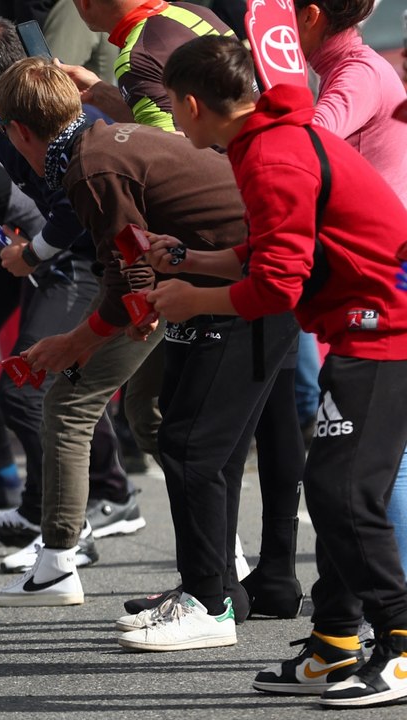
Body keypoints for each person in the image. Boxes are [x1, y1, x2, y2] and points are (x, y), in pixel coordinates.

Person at [156, 34, 407, 705]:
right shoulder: (266, 139)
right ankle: (336, 642)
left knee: (344, 491)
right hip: (367, 323)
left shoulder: (271, 153)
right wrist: (191, 261)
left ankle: (401, 642)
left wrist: (191, 299)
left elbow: (277, 287)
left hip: (385, 325)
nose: (172, 118)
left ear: (191, 104)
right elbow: (272, 249)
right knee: (332, 488)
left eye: (171, 106)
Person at [0, 57, 252, 619]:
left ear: (18, 132)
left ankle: (58, 563)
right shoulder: (97, 140)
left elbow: (129, 282)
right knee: (149, 411)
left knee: (68, 402)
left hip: (236, 270)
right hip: (220, 263)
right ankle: (222, 559)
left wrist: (70, 344)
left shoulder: (90, 165)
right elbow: (132, 271)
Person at [0, 16, 142, 577]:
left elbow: (74, 202)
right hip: (105, 256)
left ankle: (69, 532)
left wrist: (34, 254)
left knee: (36, 390)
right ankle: (58, 512)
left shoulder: (36, 126)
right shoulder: (13, 106)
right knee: (80, 397)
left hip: (113, 261)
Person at [294, 0, 407, 592]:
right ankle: (352, 615)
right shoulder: (347, 66)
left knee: (365, 472)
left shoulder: (357, 71)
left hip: (380, 286)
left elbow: (304, 151)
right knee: (375, 465)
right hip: (376, 277)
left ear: (311, 15)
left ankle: (388, 611)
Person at [62, 0, 234, 131]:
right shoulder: (195, 12)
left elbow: (170, 152)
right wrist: (97, 92)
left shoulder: (137, 57)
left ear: (85, 3)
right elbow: (167, 117)